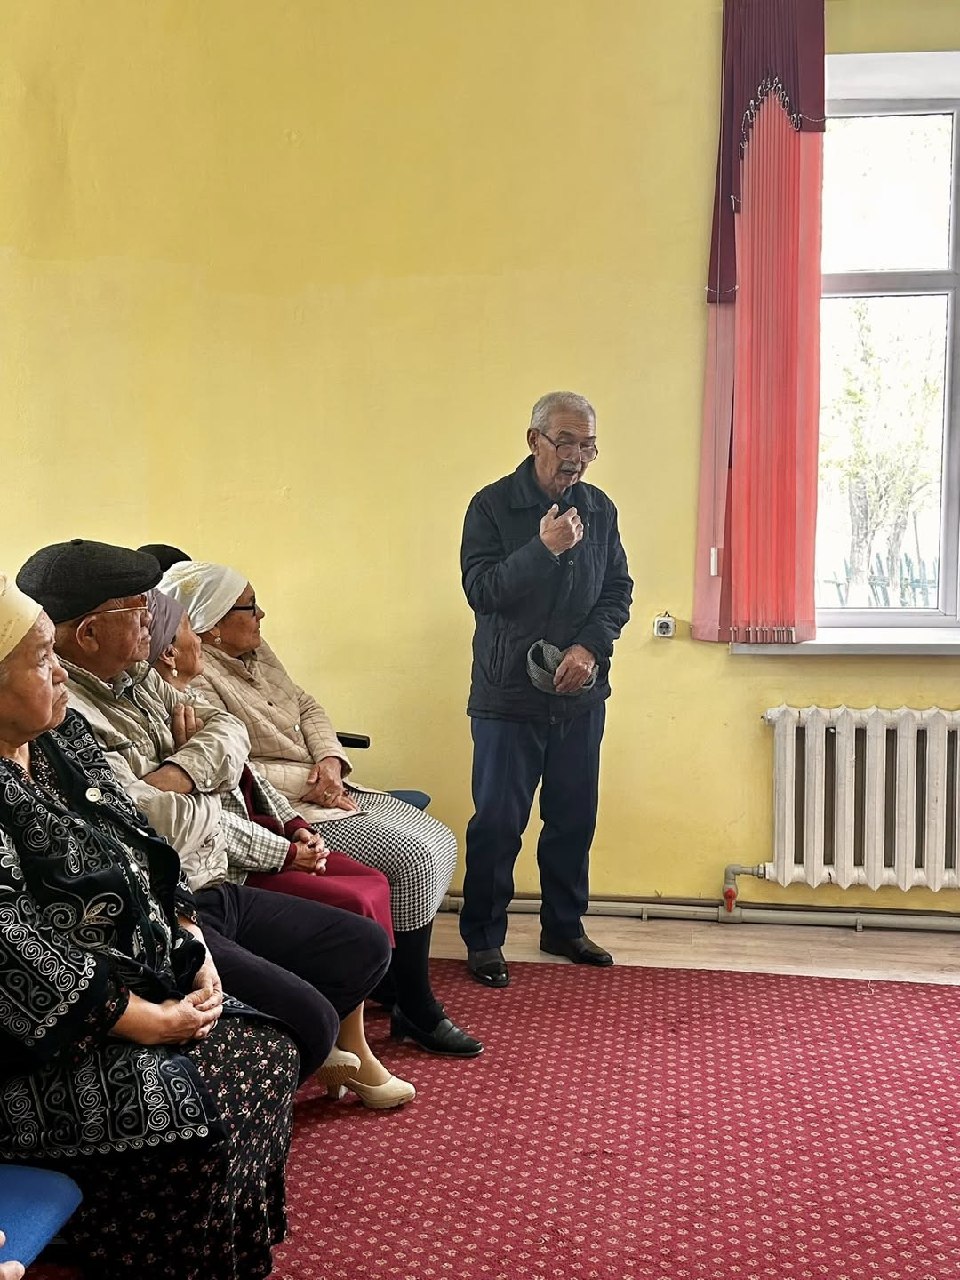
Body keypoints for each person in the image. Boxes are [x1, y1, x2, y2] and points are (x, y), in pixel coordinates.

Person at [17, 541, 406, 1110]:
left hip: (206, 882)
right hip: (173, 896)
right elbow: (152, 824)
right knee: (311, 1017)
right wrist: (223, 805)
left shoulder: (133, 677)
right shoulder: (68, 713)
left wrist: (176, 769)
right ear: (90, 633)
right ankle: (256, 1064)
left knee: (364, 945)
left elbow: (229, 734)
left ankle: (276, 1051)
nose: (153, 618)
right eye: (136, 607)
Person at [0, 572, 299, 1280]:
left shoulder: (59, 736)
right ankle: (151, 1249)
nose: (60, 674)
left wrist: (193, 947)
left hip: (145, 985)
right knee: (221, 1082)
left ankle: (220, 1255)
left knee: (270, 1045)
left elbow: (144, 847)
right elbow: (11, 949)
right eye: (41, 660)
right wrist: (144, 1021)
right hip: (43, 1044)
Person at [157, 559, 483, 1058]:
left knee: (436, 838)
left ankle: (396, 982)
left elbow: (308, 706)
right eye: (249, 608)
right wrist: (312, 783)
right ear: (212, 624)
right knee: (413, 857)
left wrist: (330, 759)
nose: (261, 615)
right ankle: (414, 1003)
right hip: (281, 804)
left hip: (319, 786)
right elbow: (241, 765)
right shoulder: (192, 675)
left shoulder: (257, 652)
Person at [459, 391, 633, 987]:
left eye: (588, 445)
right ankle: (483, 937)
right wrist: (543, 549)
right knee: (500, 822)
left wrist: (590, 649)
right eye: (566, 442)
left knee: (572, 817)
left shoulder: (600, 509)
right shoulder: (492, 507)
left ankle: (564, 926)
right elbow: (482, 592)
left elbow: (617, 591)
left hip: (579, 695)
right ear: (533, 440)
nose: (577, 457)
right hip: (507, 697)